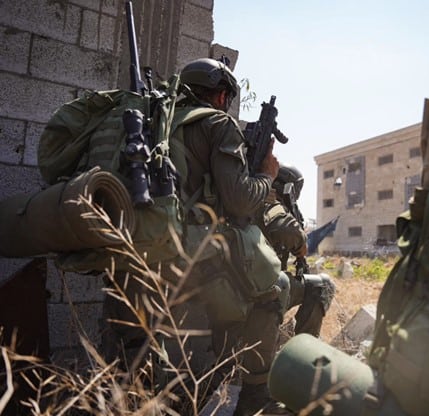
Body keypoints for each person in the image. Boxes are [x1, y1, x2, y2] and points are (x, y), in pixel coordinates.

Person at [102, 57, 291, 416]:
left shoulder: (147, 118)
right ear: (221, 96)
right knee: (274, 289)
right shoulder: (218, 123)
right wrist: (266, 175)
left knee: (136, 348)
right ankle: (253, 398)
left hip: (129, 244)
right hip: (187, 254)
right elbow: (238, 201)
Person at [256, 163, 335, 337]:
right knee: (322, 286)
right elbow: (288, 230)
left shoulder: (247, 197)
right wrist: (301, 243)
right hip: (259, 290)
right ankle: (305, 346)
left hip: (244, 286)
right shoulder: (269, 203)